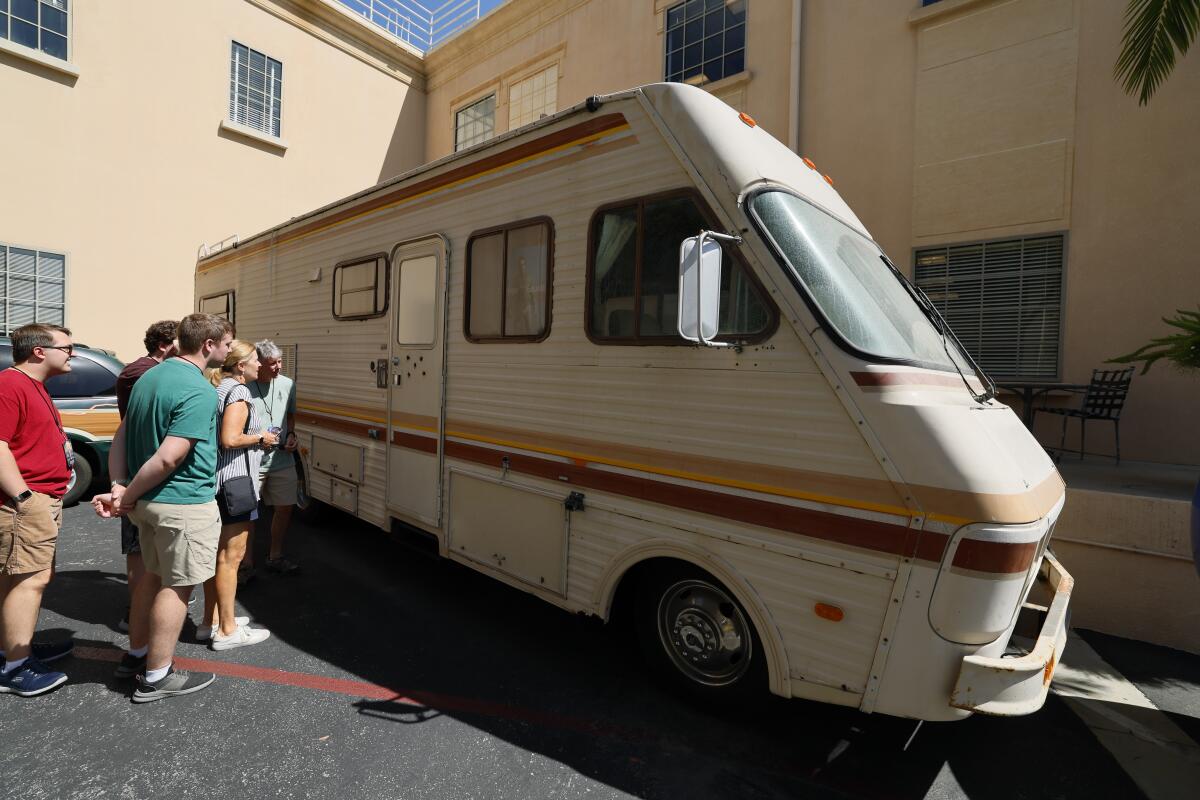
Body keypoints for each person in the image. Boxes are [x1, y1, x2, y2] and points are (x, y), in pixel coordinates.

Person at [93, 313, 231, 703]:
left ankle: (136, 655)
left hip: (149, 504)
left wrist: (120, 486)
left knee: (149, 579)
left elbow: (122, 434)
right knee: (177, 586)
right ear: (208, 345)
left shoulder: (148, 376)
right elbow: (171, 457)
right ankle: (157, 676)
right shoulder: (199, 389)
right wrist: (128, 493)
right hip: (181, 504)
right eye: (225, 344)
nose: (228, 350)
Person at [0, 324, 76, 697]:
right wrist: (24, 498)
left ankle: (16, 646)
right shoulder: (11, 384)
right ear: (40, 351)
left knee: (20, 576)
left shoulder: (32, 385)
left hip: (40, 496)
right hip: (26, 501)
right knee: (29, 578)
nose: (72, 353)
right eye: (67, 347)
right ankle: (14, 667)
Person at [198, 341, 274, 650]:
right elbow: (229, 439)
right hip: (236, 481)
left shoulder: (220, 388)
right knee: (231, 557)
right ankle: (228, 631)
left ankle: (211, 621)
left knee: (218, 557)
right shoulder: (239, 392)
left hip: (219, 481)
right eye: (256, 360)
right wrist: (261, 437)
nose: (261, 364)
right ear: (241, 366)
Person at [113, 320, 178, 632]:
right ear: (165, 344)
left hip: (144, 468)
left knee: (146, 547)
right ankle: (134, 613)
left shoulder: (146, 370)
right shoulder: (141, 372)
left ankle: (143, 609)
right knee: (138, 547)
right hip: (139, 468)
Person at [246, 340, 300, 574]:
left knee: (286, 507)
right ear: (259, 364)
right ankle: (245, 563)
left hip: (281, 459)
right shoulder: (245, 387)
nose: (278, 367)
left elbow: (290, 416)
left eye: (280, 361)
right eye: (272, 363)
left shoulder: (288, 384)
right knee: (248, 512)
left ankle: (275, 555)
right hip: (252, 459)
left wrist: (292, 436)